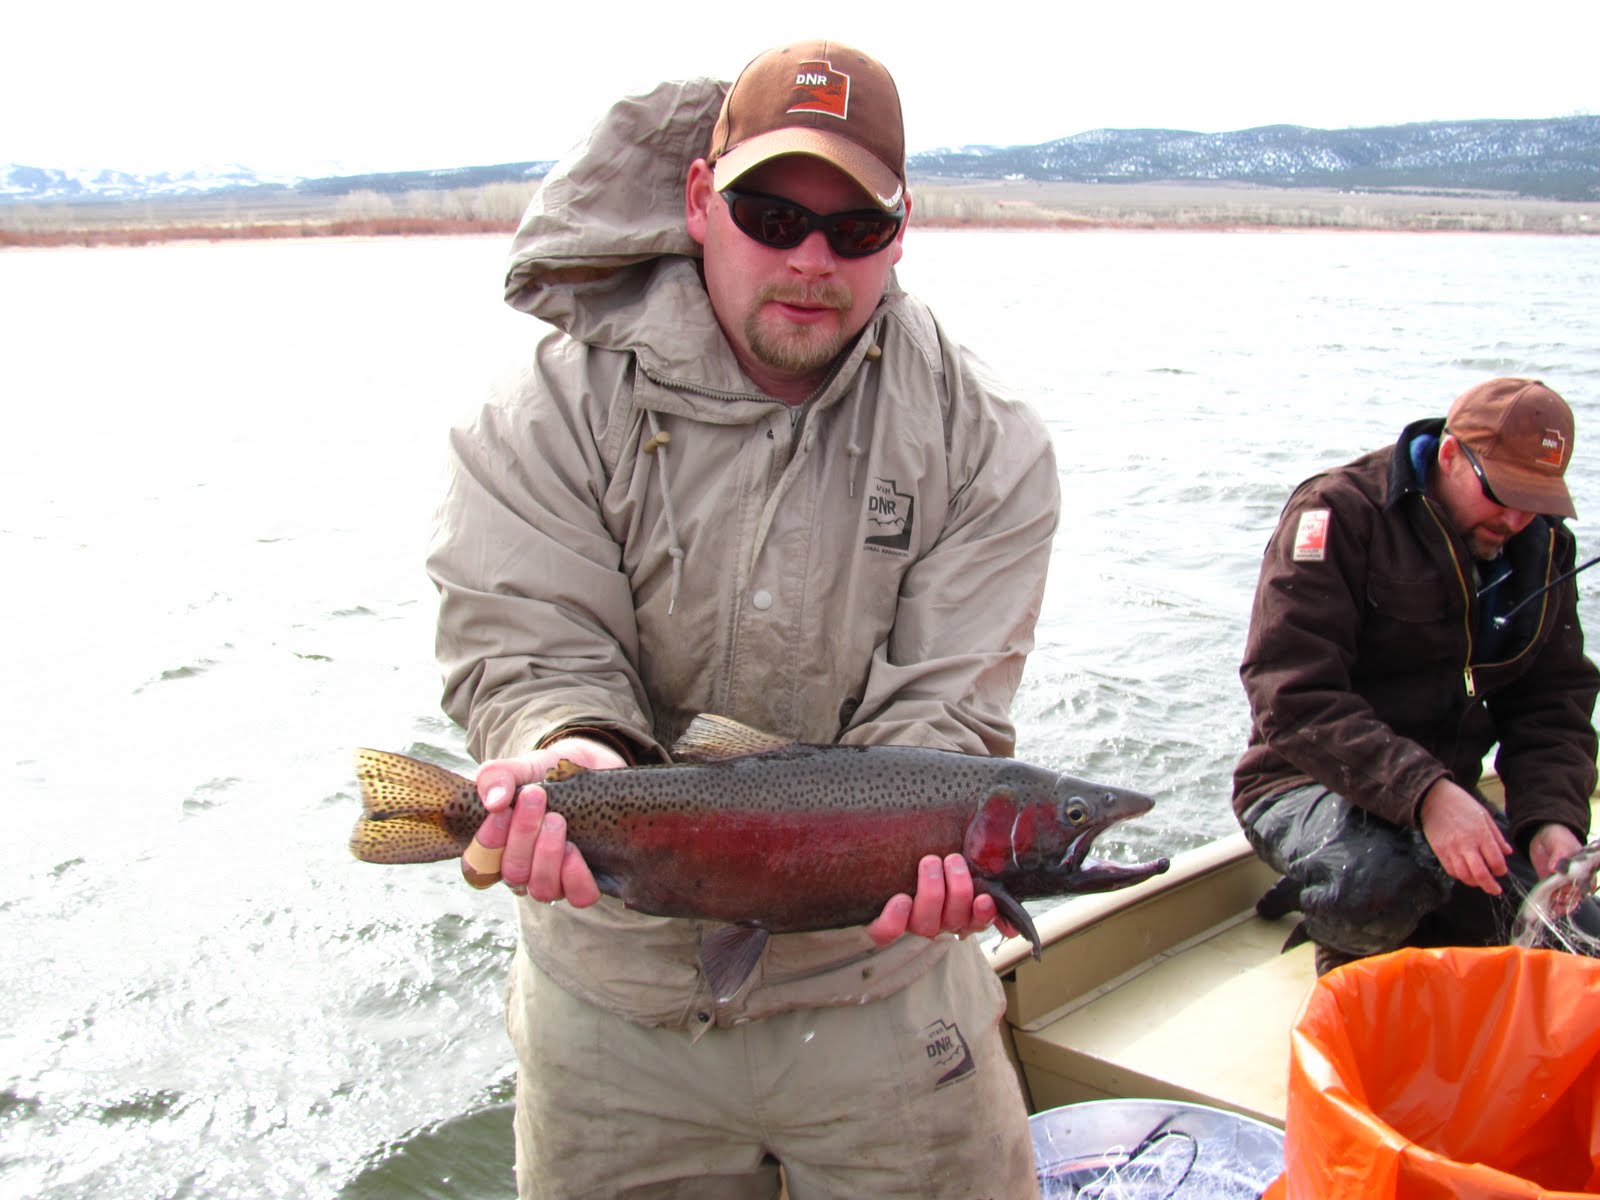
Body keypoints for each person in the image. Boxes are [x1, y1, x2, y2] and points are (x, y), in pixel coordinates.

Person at [426, 39, 1058, 1199]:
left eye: (853, 229)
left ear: (900, 231)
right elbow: (524, 640)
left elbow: (947, 718)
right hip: (612, 1010)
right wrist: (563, 749)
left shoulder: (987, 441)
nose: (811, 259)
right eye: (772, 213)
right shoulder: (542, 411)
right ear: (700, 199)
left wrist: (936, 846)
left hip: (883, 993)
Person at [1233, 377, 1600, 976]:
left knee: (1576, 931)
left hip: (1450, 797)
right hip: (1305, 782)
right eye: (1501, 492)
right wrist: (1426, 794)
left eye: (1535, 498)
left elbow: (1553, 702)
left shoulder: (1540, 541)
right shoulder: (1340, 514)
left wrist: (1551, 819)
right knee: (1378, 885)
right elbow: (1289, 693)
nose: (1515, 518)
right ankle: (1334, 919)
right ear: (1451, 455)